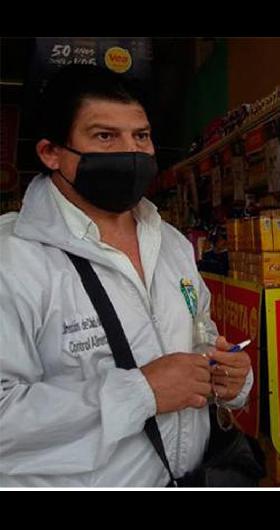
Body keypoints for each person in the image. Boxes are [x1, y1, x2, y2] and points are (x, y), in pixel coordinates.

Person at [0, 64, 253, 487]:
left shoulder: (171, 243)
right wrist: (140, 393)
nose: (130, 152)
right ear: (51, 152)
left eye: (141, 136)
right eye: (104, 136)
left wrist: (225, 373)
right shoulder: (14, 259)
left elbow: (199, 330)